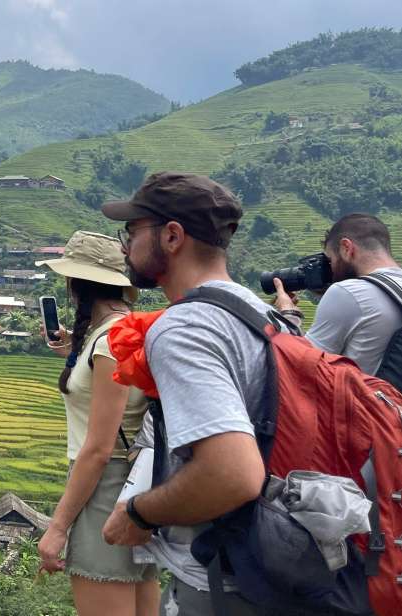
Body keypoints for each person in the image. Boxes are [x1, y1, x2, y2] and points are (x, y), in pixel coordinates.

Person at [98, 172, 268, 615]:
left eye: (132, 232)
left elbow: (233, 473)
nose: (123, 246)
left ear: (172, 236)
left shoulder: (185, 328)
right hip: (276, 569)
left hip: (219, 584)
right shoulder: (264, 315)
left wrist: (138, 513)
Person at [35, 231, 159, 616]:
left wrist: (57, 528)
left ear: (74, 284)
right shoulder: (129, 330)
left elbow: (98, 448)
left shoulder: (107, 343)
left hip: (105, 489)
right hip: (137, 488)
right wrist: (73, 352)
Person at [272, 213, 402, 374]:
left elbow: (300, 370)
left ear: (346, 248)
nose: (331, 270)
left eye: (331, 261)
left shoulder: (348, 292)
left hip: (364, 399)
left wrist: (289, 316)